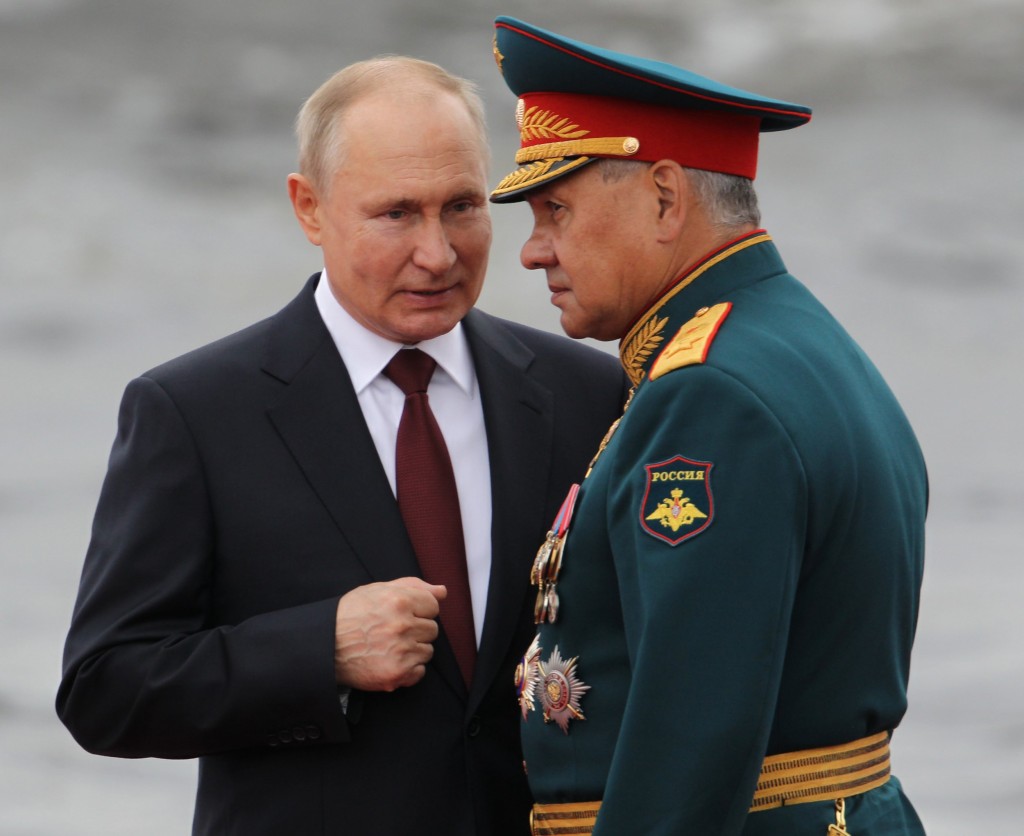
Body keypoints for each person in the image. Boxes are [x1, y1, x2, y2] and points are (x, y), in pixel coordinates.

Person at [56, 55, 628, 836]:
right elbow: (104, 690)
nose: (438, 252)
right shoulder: (194, 412)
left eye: (462, 205)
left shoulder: (588, 394)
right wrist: (316, 651)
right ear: (310, 208)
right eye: (396, 214)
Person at [489, 16, 927, 836]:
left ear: (663, 197)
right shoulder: (792, 342)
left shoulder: (709, 394)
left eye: (555, 209)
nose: (533, 251)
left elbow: (690, 732)